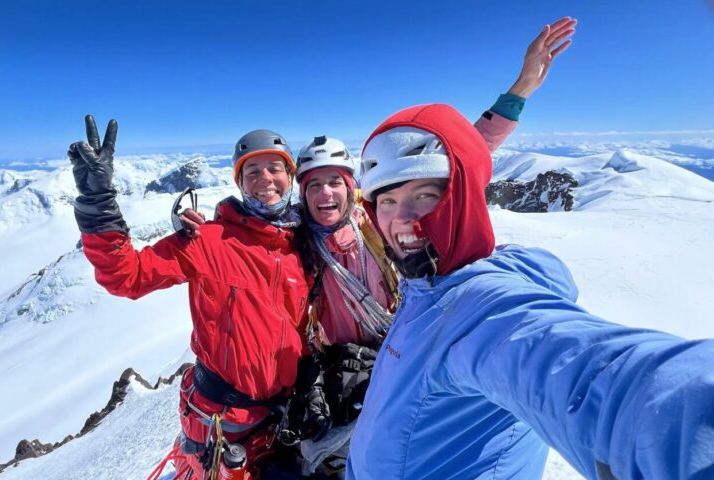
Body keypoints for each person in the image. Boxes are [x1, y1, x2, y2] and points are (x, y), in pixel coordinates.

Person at [174, 17, 578, 478]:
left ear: (353, 187)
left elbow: (460, 155)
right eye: (313, 186)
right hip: (341, 370)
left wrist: (518, 91)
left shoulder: (383, 221)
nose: (325, 194)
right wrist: (202, 228)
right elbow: (247, 236)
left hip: (402, 348)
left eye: (334, 182)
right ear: (302, 194)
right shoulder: (295, 237)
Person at [345, 104, 714, 478]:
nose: (401, 218)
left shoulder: (480, 310)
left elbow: (601, 385)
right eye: (387, 201)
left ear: (463, 199)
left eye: (424, 195)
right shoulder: (426, 288)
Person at [68, 123, 313, 479]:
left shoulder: (301, 246)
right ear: (239, 183)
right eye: (252, 172)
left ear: (290, 177)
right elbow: (126, 276)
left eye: (275, 168)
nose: (265, 179)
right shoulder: (207, 241)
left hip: (280, 418)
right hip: (223, 423)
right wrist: (98, 202)